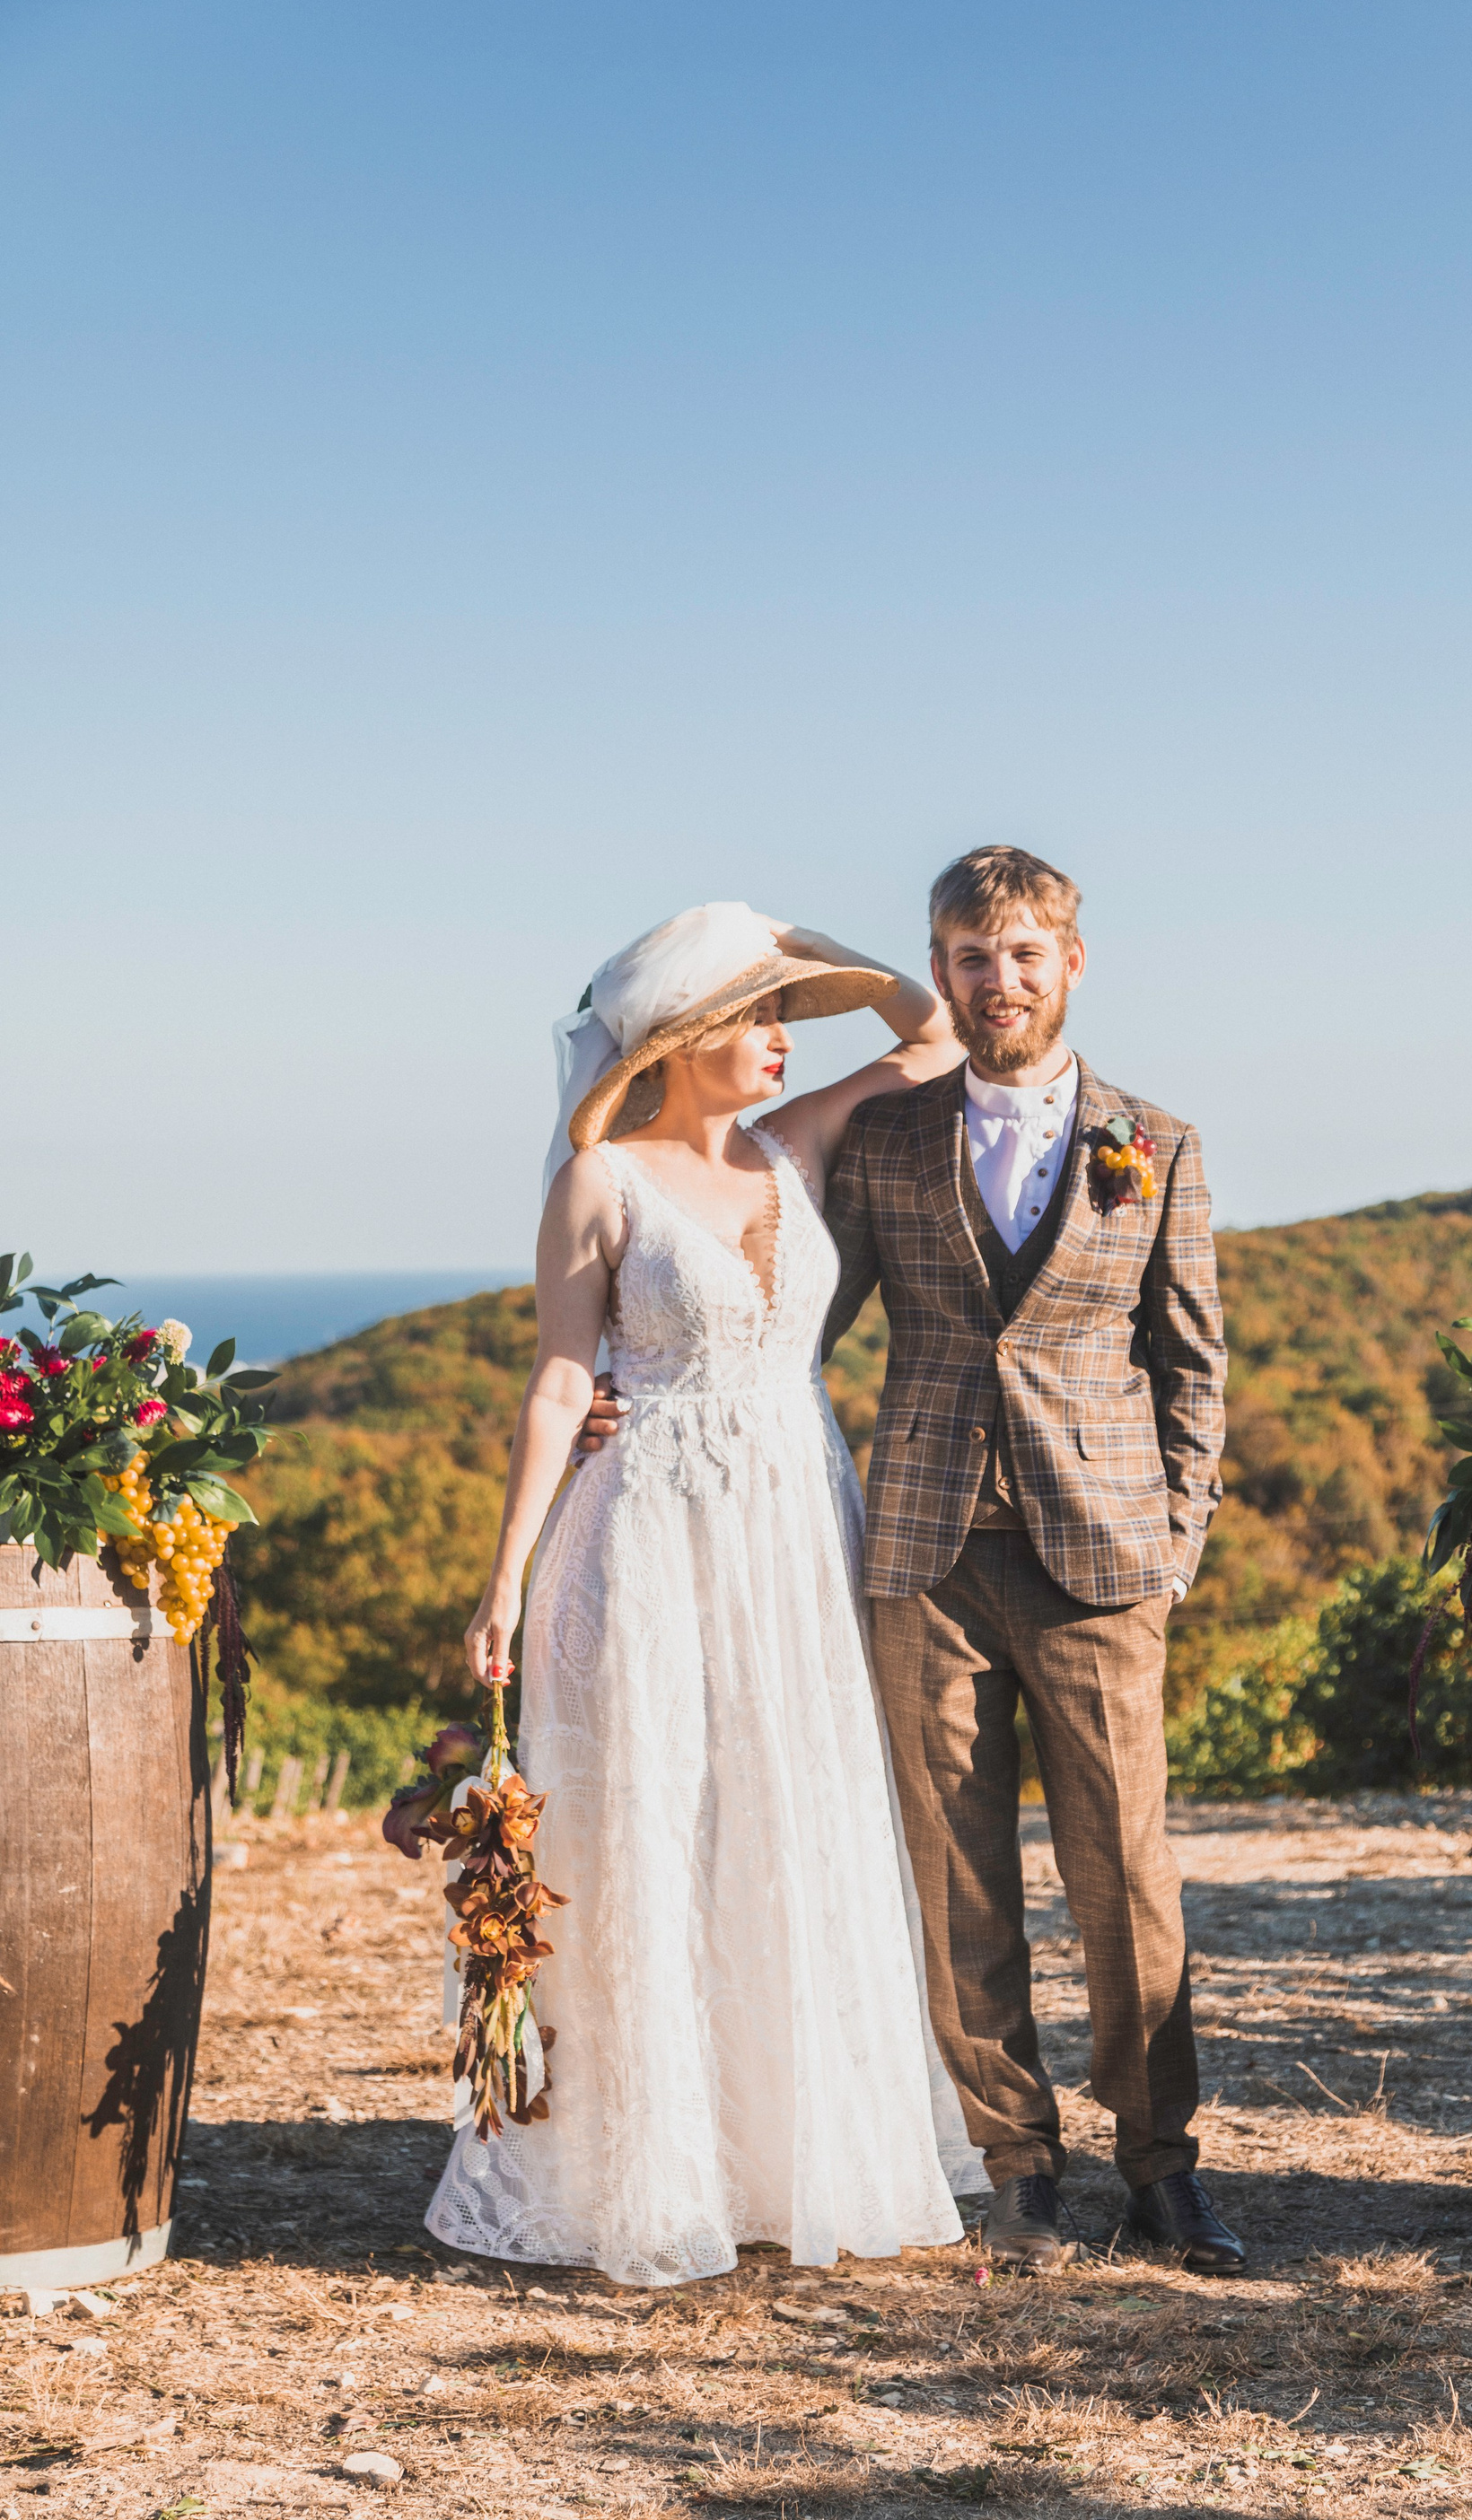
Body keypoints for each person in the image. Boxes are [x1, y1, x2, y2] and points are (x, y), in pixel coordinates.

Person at [583, 846, 1242, 2277]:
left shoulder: (1160, 1141)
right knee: (955, 1880)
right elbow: (787, 1322)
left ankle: (1163, 2169)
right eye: (969, 957)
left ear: (1071, 963)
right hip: (921, 1555)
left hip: (1101, 1559)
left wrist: (1175, 1544)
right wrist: (636, 1386)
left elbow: (1193, 1366)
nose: (998, 981)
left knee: (1126, 1878)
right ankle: (1018, 2168)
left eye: (1023, 955)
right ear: (942, 968)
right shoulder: (886, 1140)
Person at [425, 899, 987, 2288]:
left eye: (784, 1015)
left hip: (794, 1525)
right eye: (754, 1015)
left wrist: (804, 944)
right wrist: (503, 1582)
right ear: (677, 1038)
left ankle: (785, 2156)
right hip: (649, 1529)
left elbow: (933, 1036)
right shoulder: (599, 1179)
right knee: (657, 1817)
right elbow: (562, 1380)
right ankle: (655, 2167)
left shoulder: (794, 1145)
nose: (783, 1038)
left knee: (790, 1809)